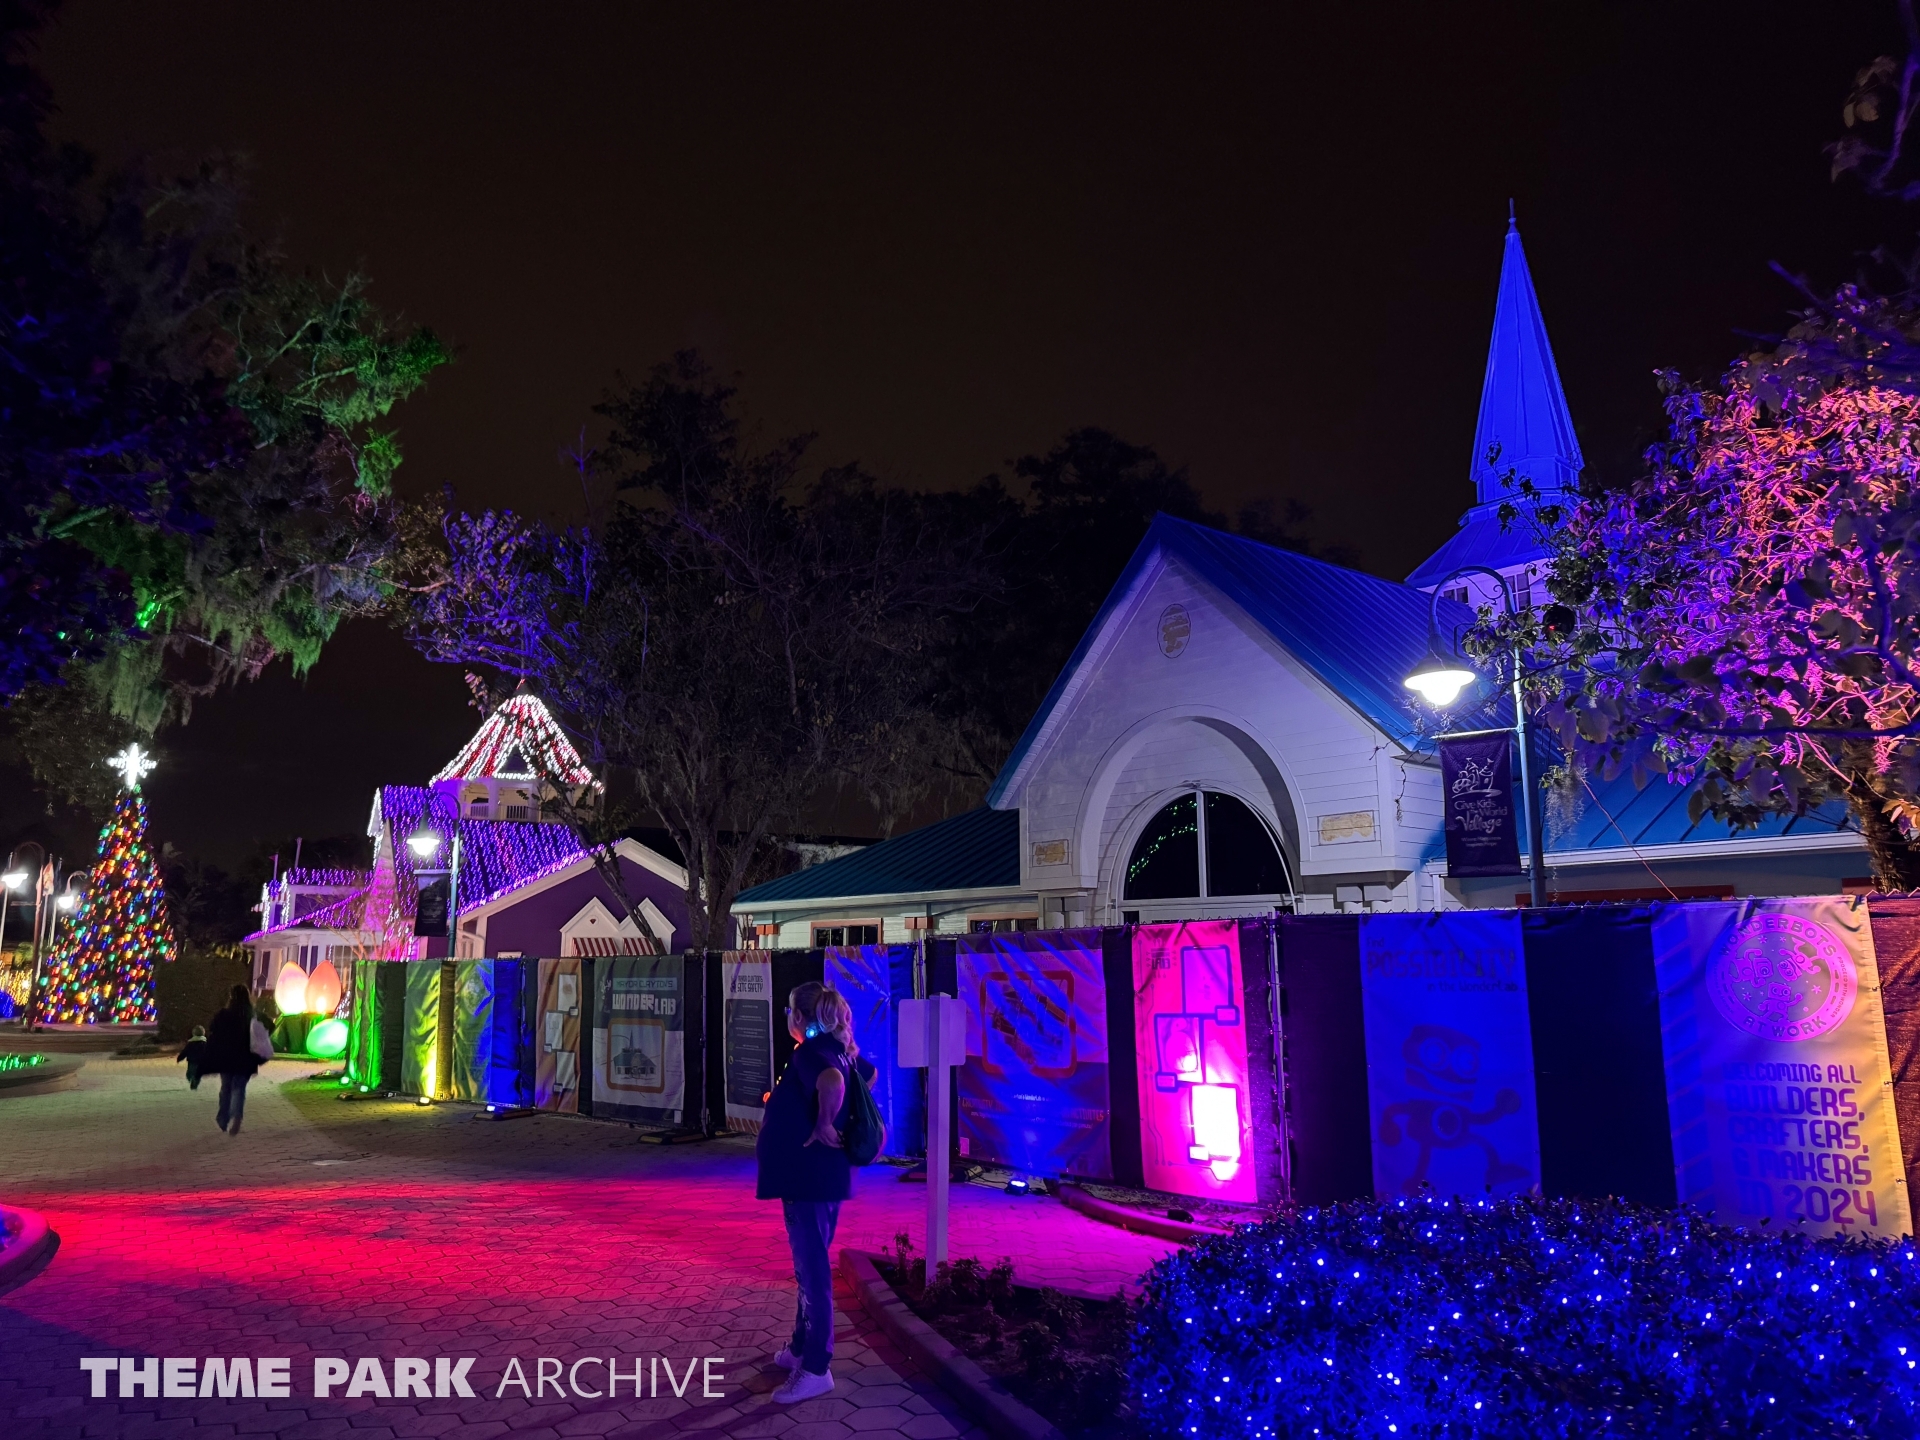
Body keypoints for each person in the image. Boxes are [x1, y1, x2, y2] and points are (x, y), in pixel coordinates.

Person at [756, 982, 875, 1404]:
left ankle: (815, 1368)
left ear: (801, 1017)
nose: (787, 1016)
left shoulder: (812, 1054)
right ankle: (800, 1346)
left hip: (808, 1178)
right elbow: (867, 1075)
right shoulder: (838, 1048)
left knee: (812, 1271)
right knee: (811, 1264)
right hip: (821, 1176)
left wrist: (825, 1122)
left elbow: (832, 1081)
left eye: (789, 1010)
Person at [203, 985, 268, 1135]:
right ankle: (237, 1116)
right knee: (239, 1088)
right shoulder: (252, 1015)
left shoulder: (224, 1014)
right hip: (246, 1059)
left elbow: (213, 1030)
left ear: (231, 997)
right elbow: (266, 1029)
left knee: (226, 1088)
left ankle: (223, 1118)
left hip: (227, 1058)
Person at [175, 1025, 209, 1090]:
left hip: (192, 1061)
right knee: (198, 1075)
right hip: (201, 1062)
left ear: (194, 1033)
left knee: (189, 1074)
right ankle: (195, 1083)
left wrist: (180, 1058)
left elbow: (185, 1052)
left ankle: (192, 1080)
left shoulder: (190, 1044)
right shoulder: (205, 1044)